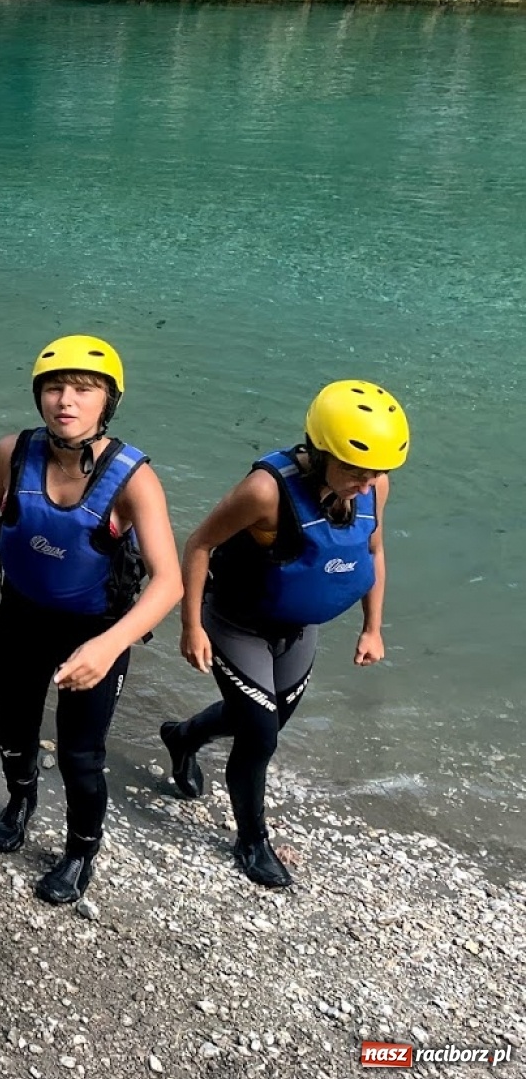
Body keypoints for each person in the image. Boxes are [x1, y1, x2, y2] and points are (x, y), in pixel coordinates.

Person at [0, 336, 182, 905]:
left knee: (80, 754)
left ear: (107, 402)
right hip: (21, 616)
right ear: (38, 395)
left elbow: (170, 581)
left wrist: (109, 647)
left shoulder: (132, 477)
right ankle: (20, 801)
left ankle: (80, 849)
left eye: (83, 390)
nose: (66, 400)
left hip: (95, 632)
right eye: (54, 388)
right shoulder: (12, 454)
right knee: (12, 728)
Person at [158, 381, 408, 889]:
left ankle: (182, 738)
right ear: (319, 451)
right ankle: (252, 841)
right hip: (235, 622)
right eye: (355, 470)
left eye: (376, 472)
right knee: (260, 736)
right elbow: (200, 544)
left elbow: (374, 552)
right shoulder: (266, 491)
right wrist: (190, 625)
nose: (366, 483)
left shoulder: (373, 488)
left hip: (296, 629)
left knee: (263, 719)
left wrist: (373, 628)